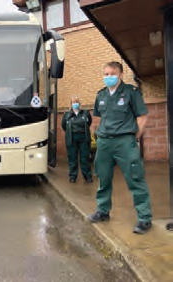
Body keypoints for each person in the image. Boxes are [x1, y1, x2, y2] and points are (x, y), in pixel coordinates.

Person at [88, 61, 152, 235]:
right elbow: (97, 118)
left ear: (121, 74)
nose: (108, 77)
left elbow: (142, 117)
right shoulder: (101, 95)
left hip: (125, 141)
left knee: (135, 179)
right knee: (103, 178)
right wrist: (97, 136)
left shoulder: (131, 92)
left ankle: (144, 218)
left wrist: (134, 138)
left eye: (112, 74)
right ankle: (103, 211)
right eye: (106, 74)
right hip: (104, 143)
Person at [61, 96, 93, 183]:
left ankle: (87, 176)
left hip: (83, 138)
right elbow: (64, 126)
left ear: (79, 103)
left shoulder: (85, 113)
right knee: (72, 158)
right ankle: (73, 176)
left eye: (77, 102)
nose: (75, 103)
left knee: (84, 158)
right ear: (71, 104)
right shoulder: (66, 114)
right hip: (72, 138)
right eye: (73, 102)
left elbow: (89, 122)